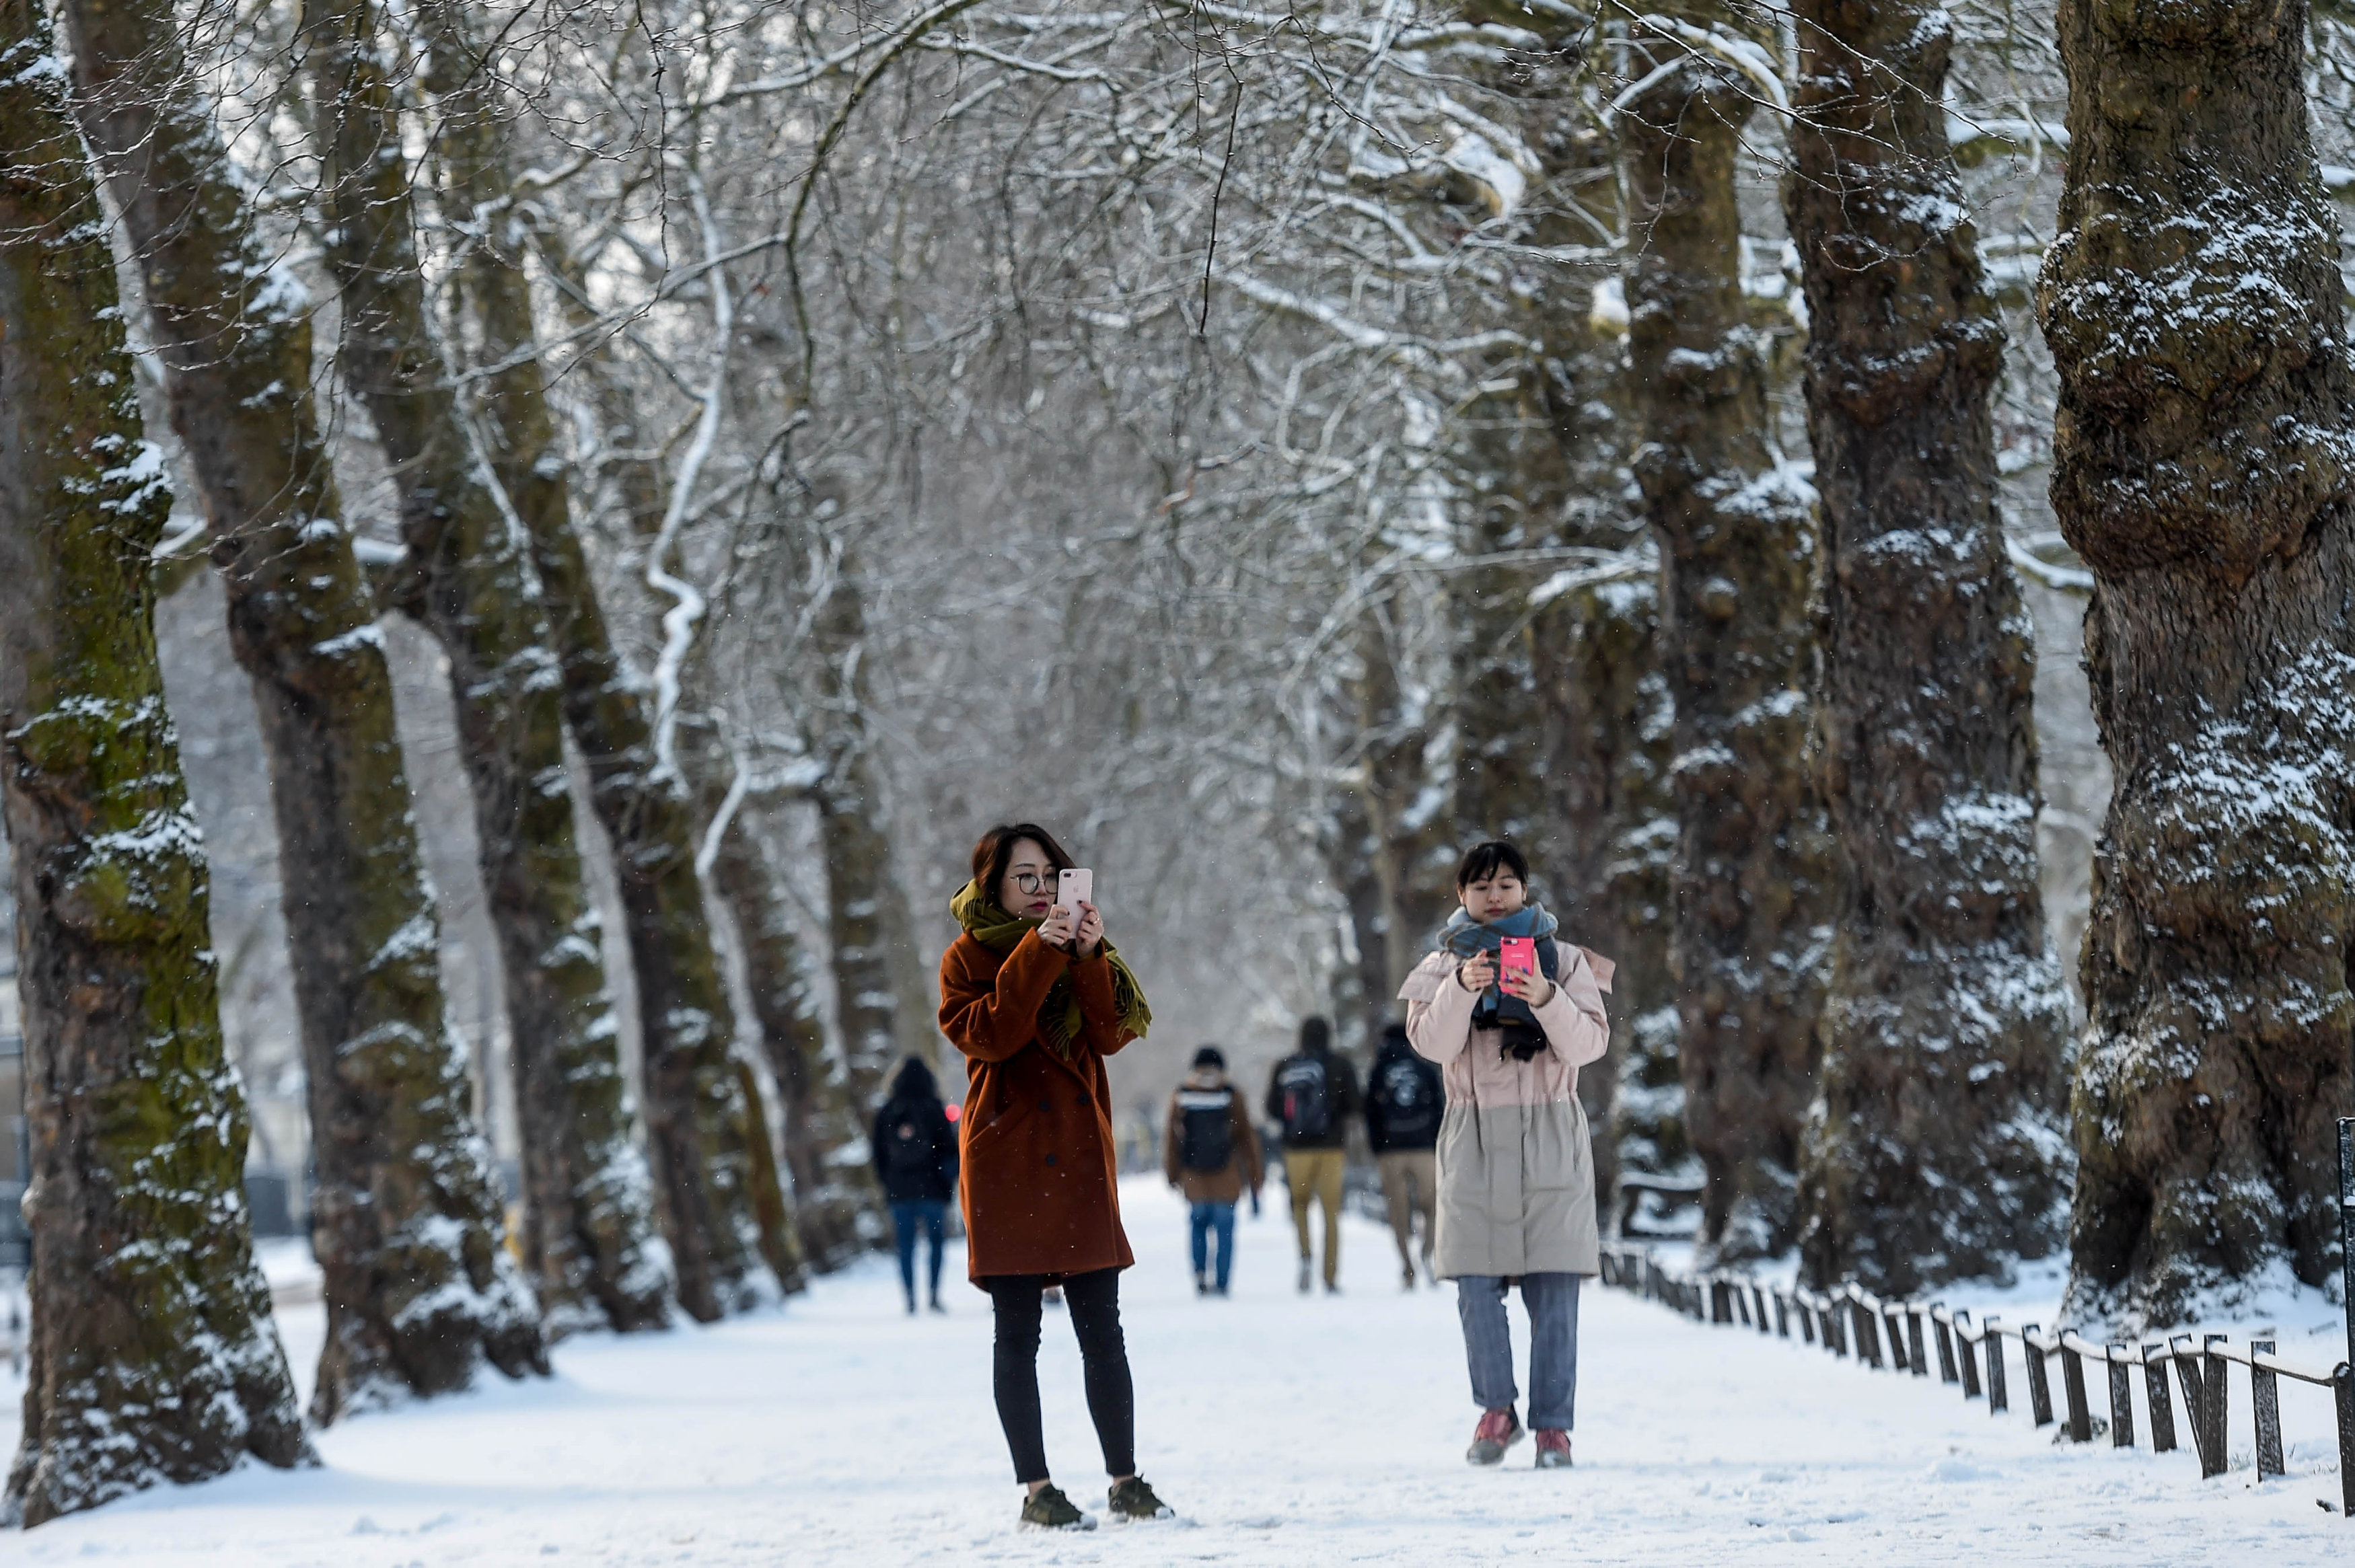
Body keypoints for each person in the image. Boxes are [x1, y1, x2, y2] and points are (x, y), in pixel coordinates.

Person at [940, 822, 1175, 1530]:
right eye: (1025, 878)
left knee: (1102, 1330)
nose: (1042, 891)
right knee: (1016, 1334)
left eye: (1050, 876)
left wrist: (1089, 955)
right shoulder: (966, 957)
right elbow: (990, 1033)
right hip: (1005, 1161)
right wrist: (1037, 957)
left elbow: (1107, 1033)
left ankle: (1125, 1479)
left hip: (1075, 1158)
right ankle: (1037, 1489)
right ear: (993, 886)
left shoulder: (1078, 947)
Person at [1401, 839, 1609, 1472]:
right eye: (1482, 886)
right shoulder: (1439, 968)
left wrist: (1545, 995)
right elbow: (1432, 1043)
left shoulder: (1568, 961)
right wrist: (1463, 987)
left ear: (1526, 890)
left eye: (1507, 885)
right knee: (1474, 1283)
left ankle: (1554, 1427)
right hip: (1474, 1140)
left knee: (1555, 1289)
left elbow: (1590, 1046)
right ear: (1461, 896)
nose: (1496, 897)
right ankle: (1497, 1409)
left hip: (1550, 1135)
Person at [1264, 1014, 1360, 1294]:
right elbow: (1355, 1104)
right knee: (1331, 1211)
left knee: (1301, 1206)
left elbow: (1271, 1108)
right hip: (1331, 1148)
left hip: (1296, 1150)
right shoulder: (1340, 1064)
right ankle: (1330, 1275)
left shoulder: (1286, 1066)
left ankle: (1305, 1256)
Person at [1162, 1045, 1263, 1297]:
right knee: (1225, 1231)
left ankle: (1199, 1274)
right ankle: (1222, 1281)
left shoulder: (1182, 1094)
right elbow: (1246, 1138)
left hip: (1194, 1176)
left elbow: (1172, 1139)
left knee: (1197, 1226)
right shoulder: (1230, 1094)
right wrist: (1254, 1174)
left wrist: (1172, 1172)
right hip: (1226, 1176)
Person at [873, 1055, 959, 1314]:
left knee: (906, 1246)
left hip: (900, 1191)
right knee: (935, 1244)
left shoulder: (887, 1110)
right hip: (932, 1188)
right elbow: (949, 1151)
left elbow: (877, 1152)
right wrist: (947, 1180)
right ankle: (933, 1295)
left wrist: (887, 1182)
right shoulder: (934, 1108)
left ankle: (910, 1298)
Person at [1363, 1020, 1441, 1290]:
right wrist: (1435, 1142)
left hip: (1390, 1151)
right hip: (1423, 1149)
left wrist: (1377, 1147)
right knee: (1433, 1206)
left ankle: (1407, 1268)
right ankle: (1428, 1252)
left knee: (1398, 1210)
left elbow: (1370, 1114)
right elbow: (1439, 1107)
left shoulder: (1379, 1071)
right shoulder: (1424, 1068)